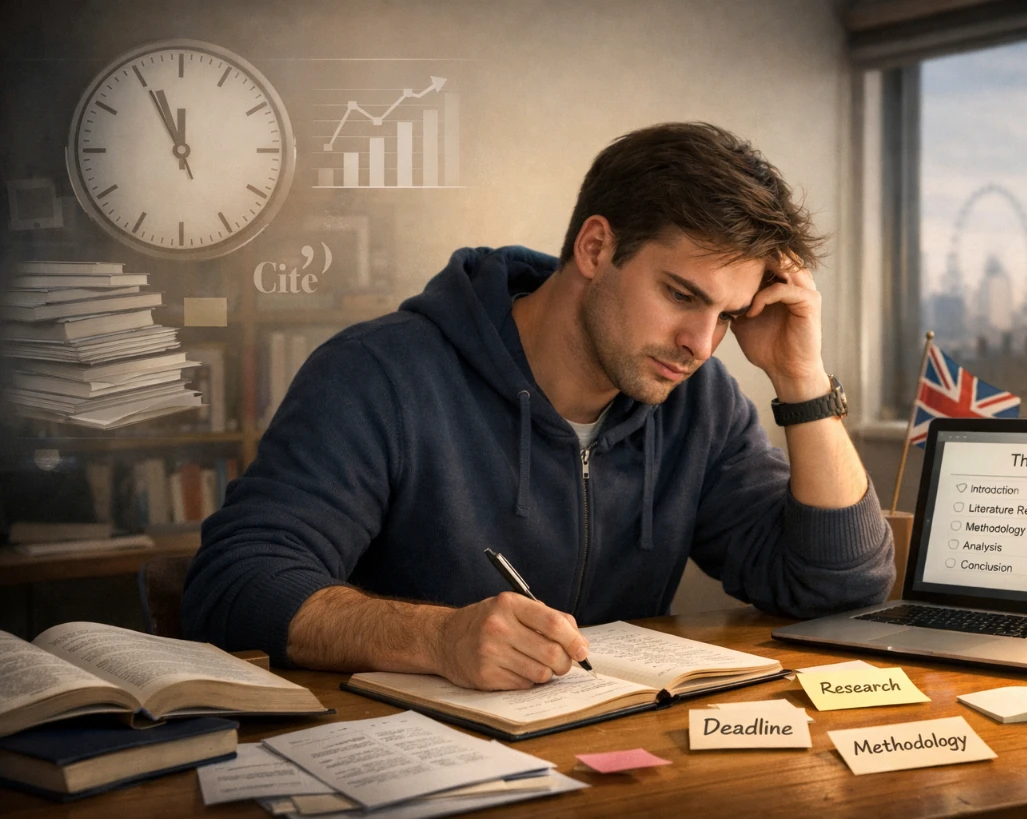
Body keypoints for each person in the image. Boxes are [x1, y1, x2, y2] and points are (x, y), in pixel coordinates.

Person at [182, 122, 894, 691]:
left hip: (612, 771)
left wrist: (799, 377)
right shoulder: (380, 373)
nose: (702, 344)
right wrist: (436, 639)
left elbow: (840, 587)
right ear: (595, 246)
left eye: (727, 313)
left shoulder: (696, 401)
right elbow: (235, 582)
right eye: (681, 295)